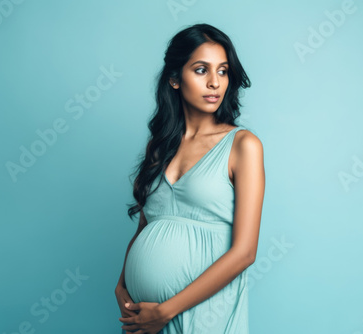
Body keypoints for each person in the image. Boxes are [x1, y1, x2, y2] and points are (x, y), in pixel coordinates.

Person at [115, 23, 265, 334]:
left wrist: (166, 311)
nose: (214, 83)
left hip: (206, 314)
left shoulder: (243, 145)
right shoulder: (160, 146)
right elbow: (147, 225)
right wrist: (120, 285)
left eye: (223, 71)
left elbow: (245, 252)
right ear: (174, 78)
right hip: (144, 321)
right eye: (201, 70)